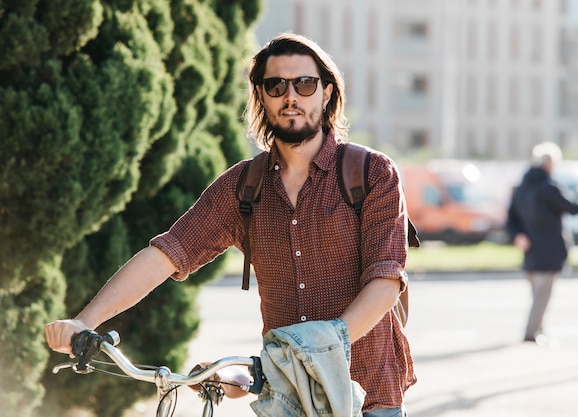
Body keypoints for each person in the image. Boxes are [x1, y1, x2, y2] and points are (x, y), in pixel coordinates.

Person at [45, 33, 416, 416]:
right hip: (288, 404)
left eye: (305, 84)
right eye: (276, 86)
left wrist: (312, 351)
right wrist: (84, 321)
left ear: (326, 93)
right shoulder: (244, 188)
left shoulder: (370, 173)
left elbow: (385, 282)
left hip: (369, 401)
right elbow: (165, 256)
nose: (291, 97)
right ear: (261, 97)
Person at [506, 142, 578, 345]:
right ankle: (532, 333)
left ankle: (539, 330)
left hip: (529, 249)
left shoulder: (522, 188)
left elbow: (510, 219)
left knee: (536, 294)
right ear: (549, 164)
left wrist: (517, 235)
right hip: (549, 249)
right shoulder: (548, 188)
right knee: (543, 295)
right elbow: (573, 208)